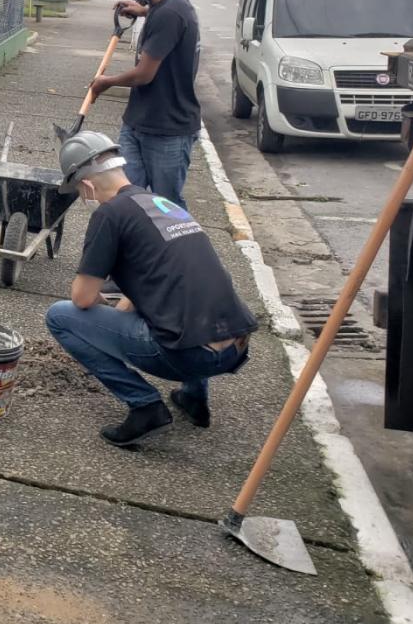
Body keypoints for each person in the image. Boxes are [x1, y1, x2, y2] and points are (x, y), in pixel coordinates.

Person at [45, 131, 256, 447]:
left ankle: (144, 405)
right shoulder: (159, 203)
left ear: (86, 186)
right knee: (183, 302)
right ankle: (194, 399)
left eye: (79, 190)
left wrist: (106, 316)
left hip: (191, 356)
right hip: (236, 345)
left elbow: (82, 298)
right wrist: (121, 314)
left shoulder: (109, 214)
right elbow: (159, 278)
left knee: (60, 316)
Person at [89, 0, 202, 210]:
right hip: (138, 122)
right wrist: (142, 10)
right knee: (125, 199)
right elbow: (165, 10)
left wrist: (105, 82)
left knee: (167, 205)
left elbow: (144, 74)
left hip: (168, 130)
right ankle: (133, 252)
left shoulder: (170, 14)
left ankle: (176, 254)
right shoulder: (172, 4)